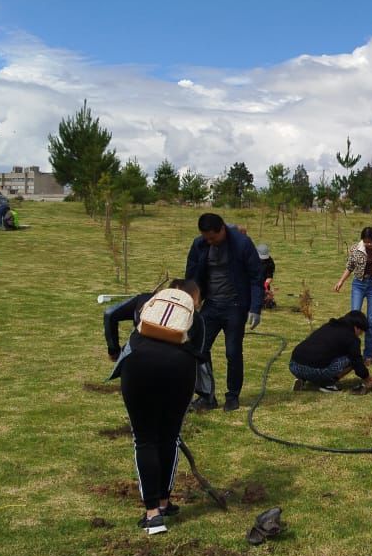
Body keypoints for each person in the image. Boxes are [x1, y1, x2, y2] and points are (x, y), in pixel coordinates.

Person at [103, 279, 205, 535]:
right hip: (179, 370)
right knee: (169, 438)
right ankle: (164, 502)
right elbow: (200, 353)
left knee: (145, 439)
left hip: (137, 366)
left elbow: (109, 314)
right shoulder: (196, 318)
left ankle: (153, 516)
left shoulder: (144, 300)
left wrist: (114, 350)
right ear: (193, 298)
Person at [185, 213, 264, 412]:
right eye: (206, 238)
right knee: (199, 349)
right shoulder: (200, 245)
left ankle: (233, 396)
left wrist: (255, 309)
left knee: (233, 352)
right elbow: (191, 276)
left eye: (213, 237)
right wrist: (190, 301)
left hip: (235, 306)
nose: (210, 242)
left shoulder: (242, 244)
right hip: (210, 305)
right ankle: (207, 396)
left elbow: (256, 277)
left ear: (222, 229)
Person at [333, 227, 372, 365]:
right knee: (354, 318)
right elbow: (349, 267)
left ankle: (368, 355)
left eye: (370, 242)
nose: (368, 244)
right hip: (358, 284)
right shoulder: (355, 249)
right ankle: (352, 353)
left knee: (371, 320)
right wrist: (341, 281)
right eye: (365, 242)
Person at [289, 311, 372, 393]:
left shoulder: (329, 326)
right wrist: (368, 379)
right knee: (351, 359)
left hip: (294, 365)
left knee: (316, 355)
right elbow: (357, 362)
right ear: (356, 327)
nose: (360, 335)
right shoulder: (352, 338)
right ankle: (328, 384)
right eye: (361, 332)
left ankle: (302, 378)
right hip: (314, 370)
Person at [257, 244, 277, 309]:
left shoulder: (270, 262)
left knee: (266, 303)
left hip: (263, 283)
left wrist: (266, 284)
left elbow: (269, 276)